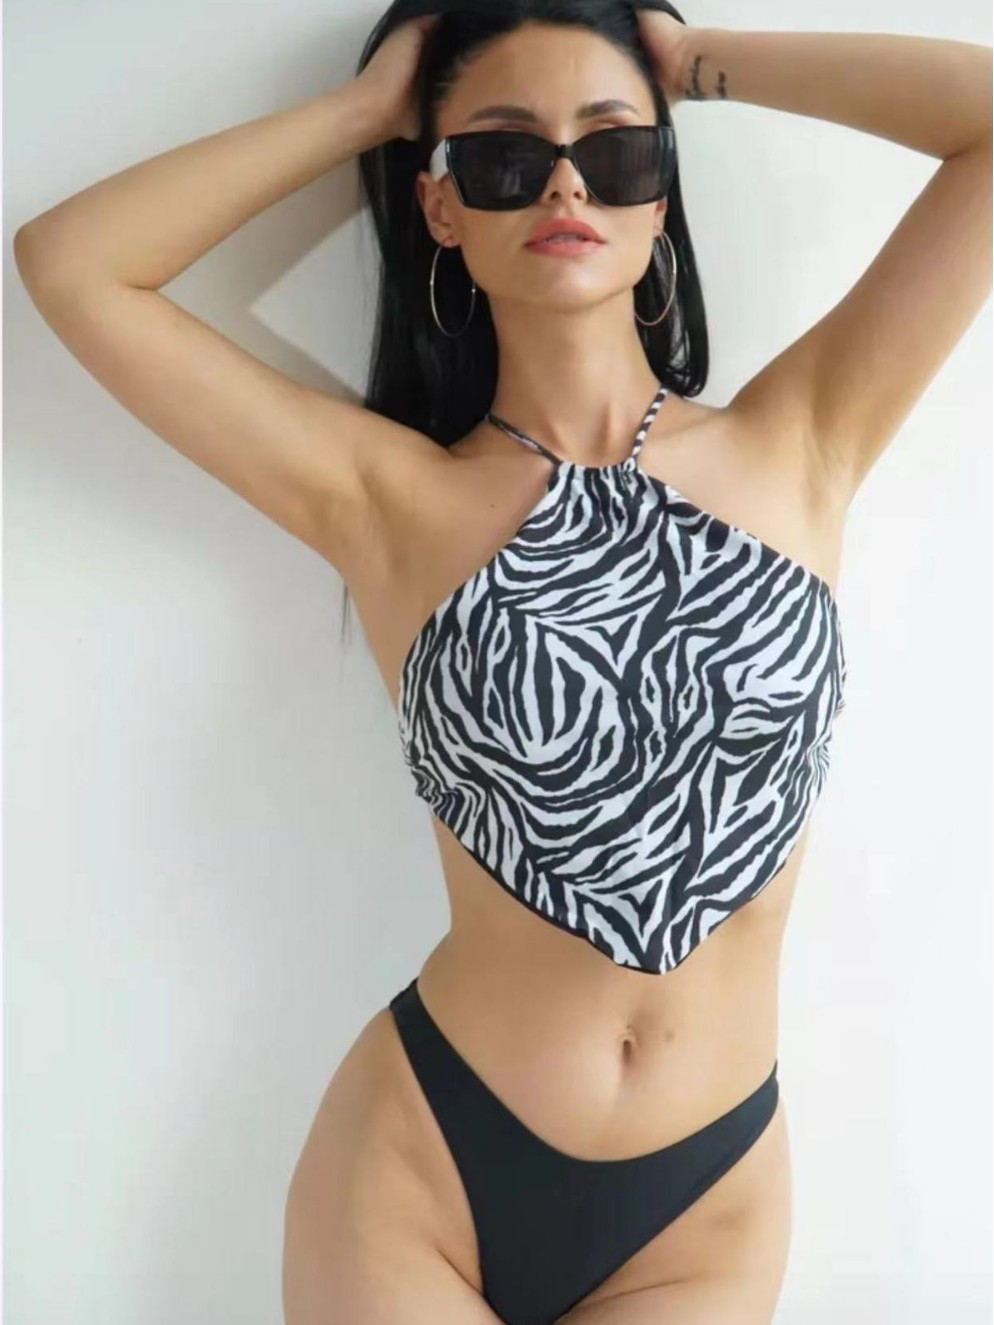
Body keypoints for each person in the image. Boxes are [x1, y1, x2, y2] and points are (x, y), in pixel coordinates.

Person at [14, 2, 992, 1321]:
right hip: (425, 1158)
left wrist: (690, 65)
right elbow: (73, 264)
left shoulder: (802, 438)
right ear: (440, 207)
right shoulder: (388, 499)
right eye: (502, 158)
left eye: (615, 151)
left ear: (661, 196)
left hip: (702, 1203)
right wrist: (371, 111)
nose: (566, 187)